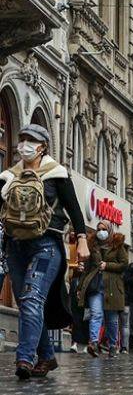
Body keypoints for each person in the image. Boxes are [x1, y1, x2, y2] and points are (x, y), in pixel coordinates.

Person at [0, 124, 88, 379]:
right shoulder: (9, 176)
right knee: (26, 301)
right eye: (22, 139)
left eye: (31, 140)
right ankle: (47, 356)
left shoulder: (57, 174)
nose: (24, 144)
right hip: (15, 246)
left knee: (31, 298)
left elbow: (74, 209)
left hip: (46, 245)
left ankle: (25, 358)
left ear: (43, 146)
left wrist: (81, 239)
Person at [78, 220, 128, 358]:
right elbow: (87, 268)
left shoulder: (118, 245)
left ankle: (112, 345)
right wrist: (80, 287)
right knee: (96, 314)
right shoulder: (92, 245)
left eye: (104, 229)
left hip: (112, 287)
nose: (100, 232)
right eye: (98, 229)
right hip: (96, 286)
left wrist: (108, 266)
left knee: (111, 319)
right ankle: (93, 343)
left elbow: (124, 264)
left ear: (110, 230)